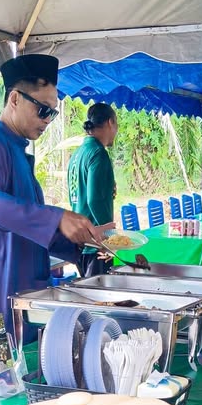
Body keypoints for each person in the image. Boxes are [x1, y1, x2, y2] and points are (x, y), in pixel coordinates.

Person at [0, 54, 102, 333]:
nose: (48, 120)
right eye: (43, 110)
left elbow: (28, 226)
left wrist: (81, 242)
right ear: (14, 99)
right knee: (0, 374)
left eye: (53, 112)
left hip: (25, 290)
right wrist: (56, 217)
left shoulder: (16, 149)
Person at [68, 102, 118, 276]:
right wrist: (110, 237)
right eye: (116, 126)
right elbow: (94, 199)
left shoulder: (78, 154)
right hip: (97, 243)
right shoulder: (98, 153)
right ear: (111, 123)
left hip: (80, 240)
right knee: (100, 300)